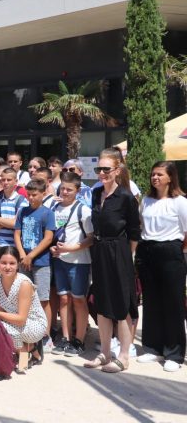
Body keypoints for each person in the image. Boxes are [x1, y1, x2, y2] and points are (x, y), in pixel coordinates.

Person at [83, 154, 140, 373]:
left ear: (117, 170)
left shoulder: (126, 197)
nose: (102, 173)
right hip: (100, 251)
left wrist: (129, 256)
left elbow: (135, 231)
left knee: (121, 304)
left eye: (107, 169)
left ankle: (124, 356)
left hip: (120, 251)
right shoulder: (96, 193)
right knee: (102, 303)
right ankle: (105, 352)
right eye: (99, 169)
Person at [136, 161, 187, 372]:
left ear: (170, 178)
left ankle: (174, 353)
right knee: (151, 301)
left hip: (171, 252)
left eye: (159, 174)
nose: (155, 178)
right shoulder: (146, 201)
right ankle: (153, 347)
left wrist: (180, 254)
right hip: (147, 251)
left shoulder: (180, 202)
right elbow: (141, 226)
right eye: (153, 174)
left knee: (173, 303)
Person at [0, 246, 48, 373]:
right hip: (14, 322)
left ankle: (26, 350)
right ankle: (31, 350)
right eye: (3, 263)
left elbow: (21, 319)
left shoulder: (24, 283)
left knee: (1, 326)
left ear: (18, 264)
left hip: (34, 324)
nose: (7, 267)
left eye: (12, 263)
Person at [50, 171, 94, 357]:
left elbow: (91, 239)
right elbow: (52, 234)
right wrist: (53, 247)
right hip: (59, 261)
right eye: (63, 188)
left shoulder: (83, 210)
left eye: (69, 189)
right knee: (64, 299)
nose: (65, 192)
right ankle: (66, 338)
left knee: (78, 299)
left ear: (77, 190)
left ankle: (79, 340)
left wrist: (71, 248)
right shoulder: (54, 208)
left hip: (79, 262)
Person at [14, 178, 56, 351]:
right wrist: (24, 255)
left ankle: (45, 336)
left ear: (43, 193)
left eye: (34, 195)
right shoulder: (23, 211)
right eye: (29, 195)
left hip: (41, 262)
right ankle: (27, 332)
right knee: (24, 297)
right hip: (24, 261)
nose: (30, 198)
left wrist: (31, 255)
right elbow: (17, 234)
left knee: (43, 299)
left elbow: (48, 237)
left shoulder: (47, 213)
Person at [0, 168, 28, 247]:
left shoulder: (22, 201)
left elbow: (15, 223)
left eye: (9, 180)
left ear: (16, 181)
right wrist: (8, 222)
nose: (5, 182)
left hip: (14, 246)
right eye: (3, 180)